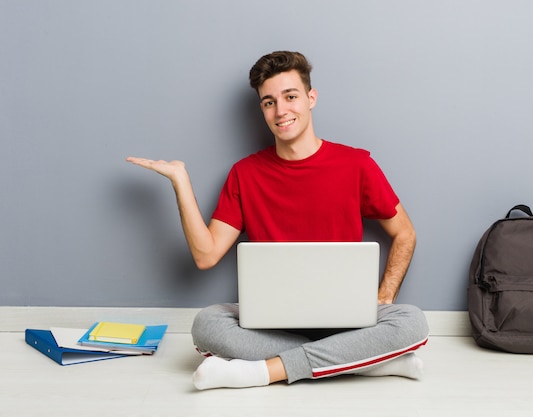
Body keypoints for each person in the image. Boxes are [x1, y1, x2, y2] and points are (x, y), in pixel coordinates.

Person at [126, 51, 429, 390]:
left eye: (290, 97)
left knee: (412, 322)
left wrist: (384, 296)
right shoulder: (245, 174)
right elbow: (205, 255)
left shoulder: (357, 164)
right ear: (262, 110)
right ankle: (363, 362)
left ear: (311, 98)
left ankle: (262, 372)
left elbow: (405, 233)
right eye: (269, 102)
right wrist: (180, 181)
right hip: (272, 324)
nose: (281, 111)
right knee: (207, 325)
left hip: (347, 322)